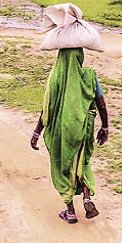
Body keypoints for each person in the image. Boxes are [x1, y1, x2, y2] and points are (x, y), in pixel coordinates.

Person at [30, 47, 109, 224]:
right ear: (81, 57)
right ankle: (87, 197)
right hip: (83, 128)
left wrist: (36, 133)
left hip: (61, 131)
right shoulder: (89, 76)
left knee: (61, 166)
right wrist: (105, 126)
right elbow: (101, 103)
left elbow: (47, 108)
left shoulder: (55, 78)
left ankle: (70, 211)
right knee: (82, 161)